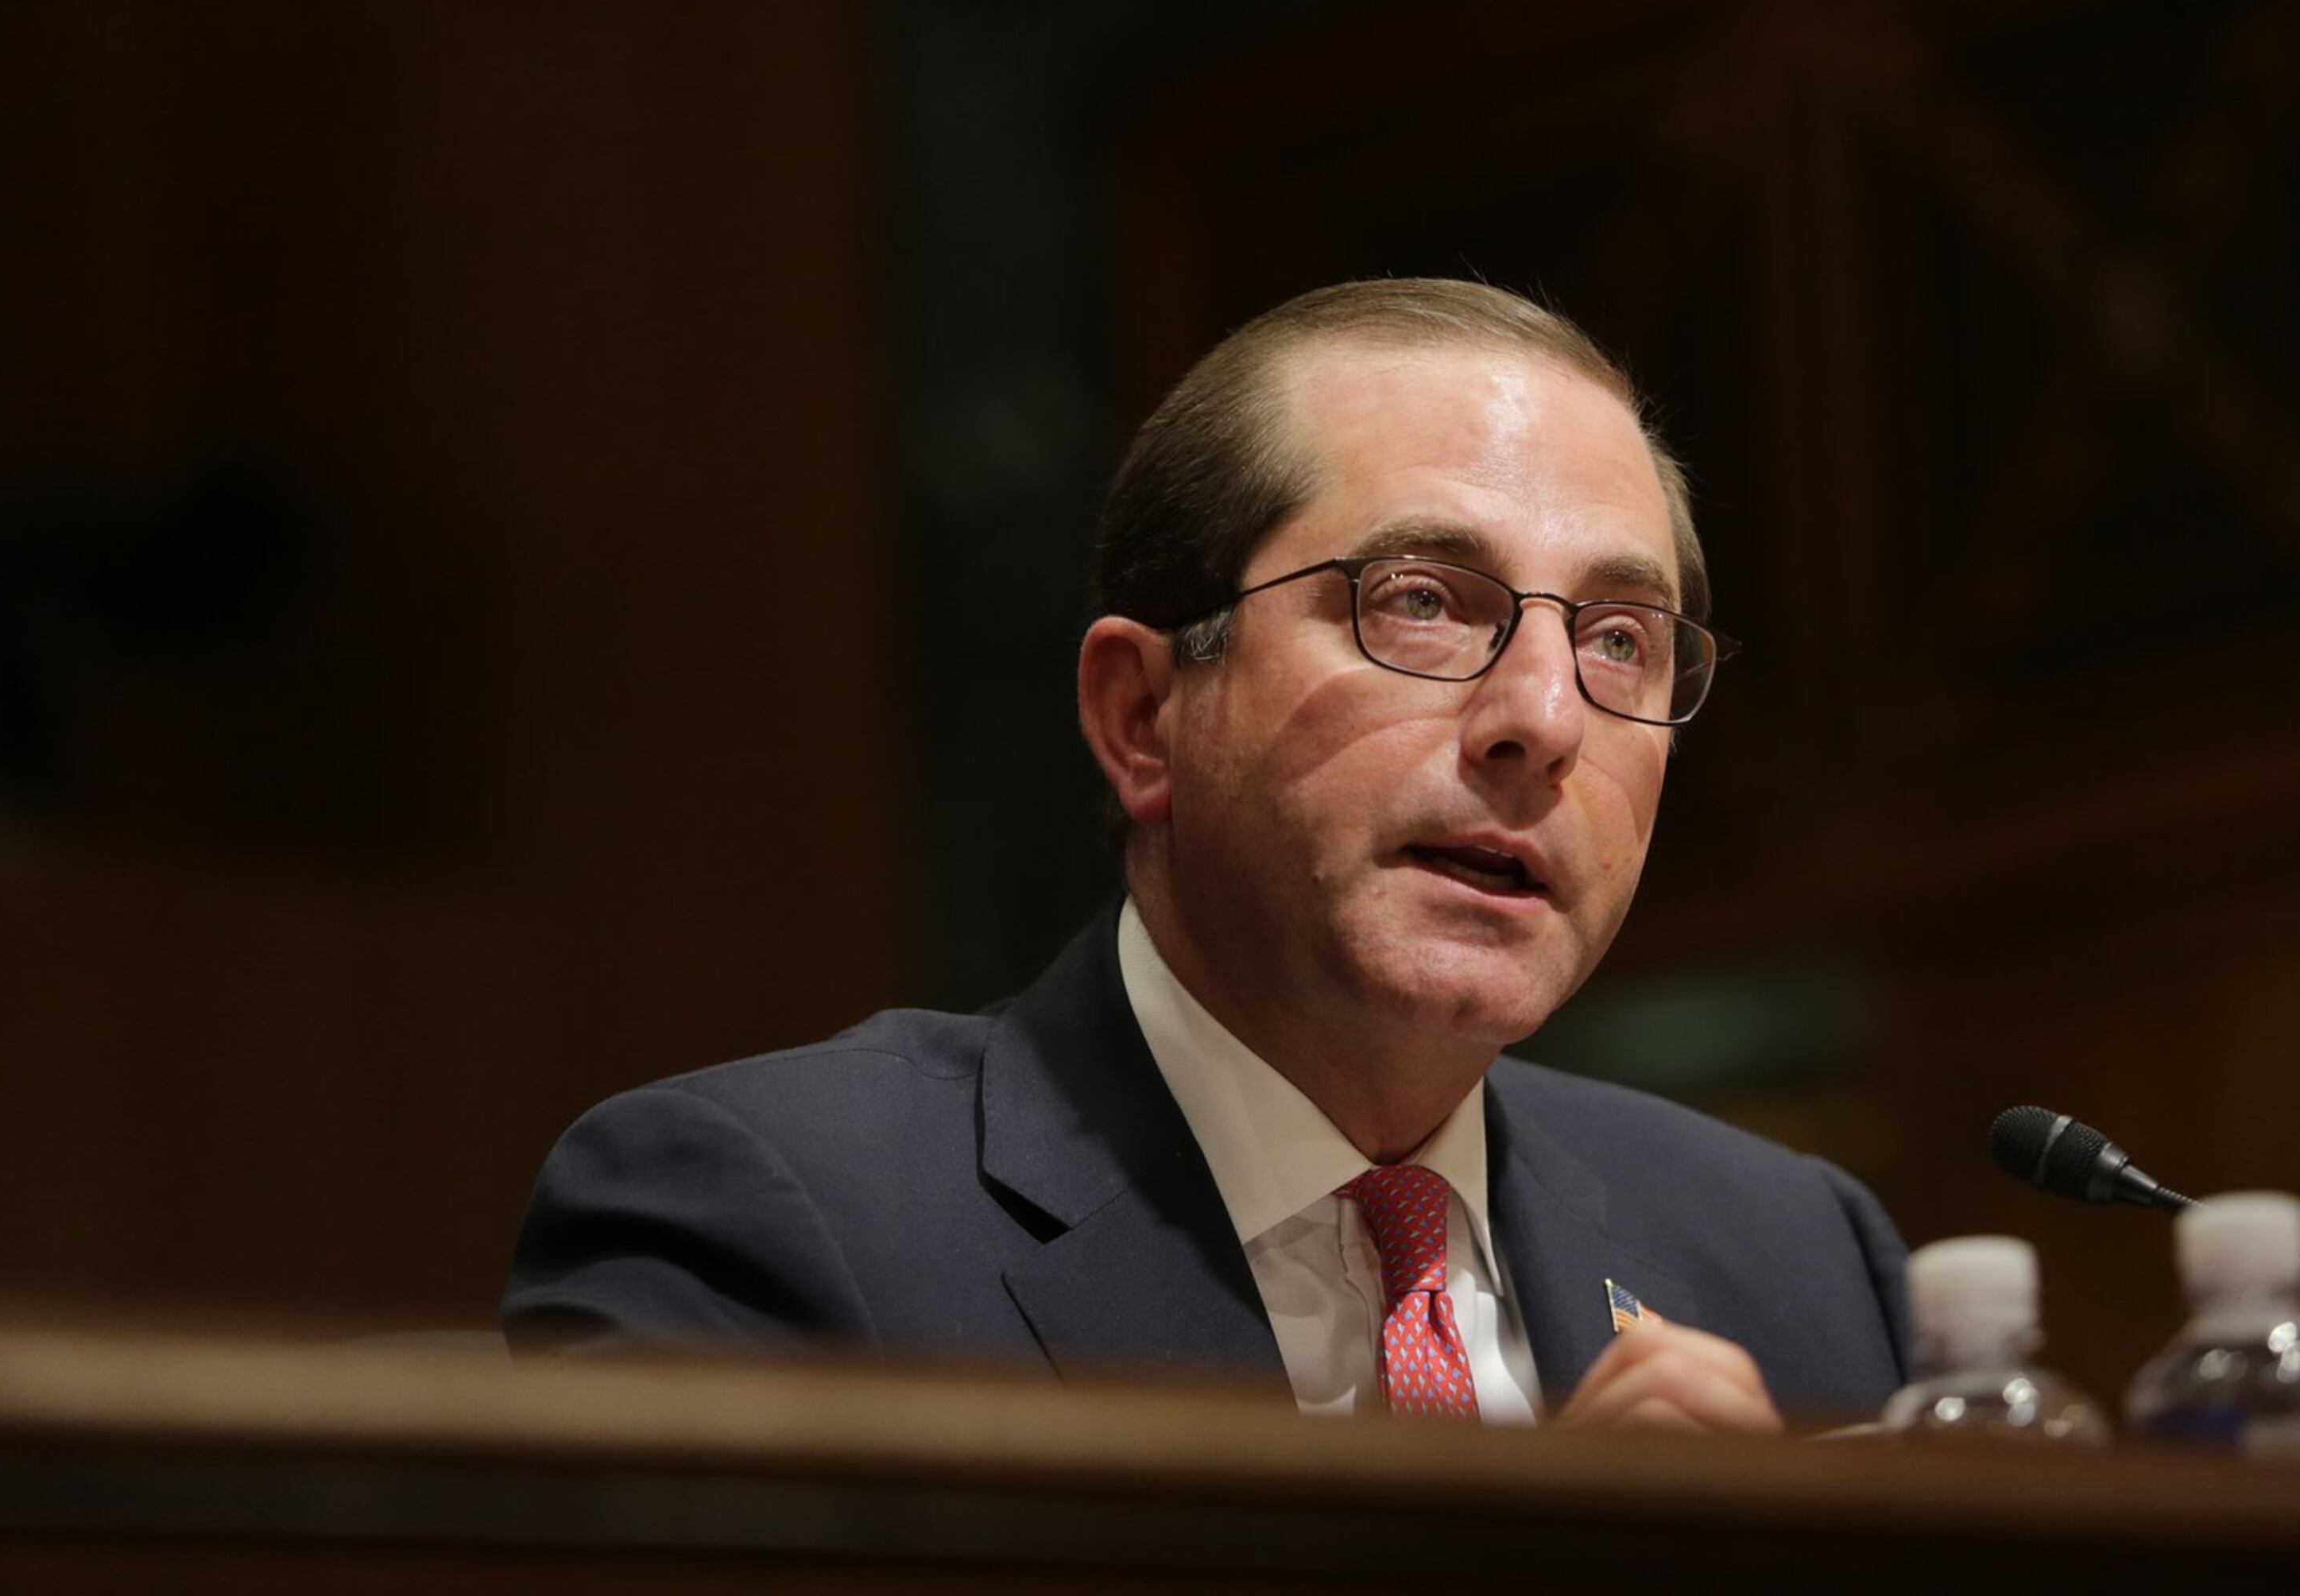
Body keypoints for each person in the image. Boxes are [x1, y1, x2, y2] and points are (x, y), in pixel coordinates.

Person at [503, 280, 1911, 1431]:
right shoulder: (774, 1225)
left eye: (1619, 640)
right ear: (1143, 717)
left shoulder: (1800, 1265)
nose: (1544, 719)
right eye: (1421, 602)